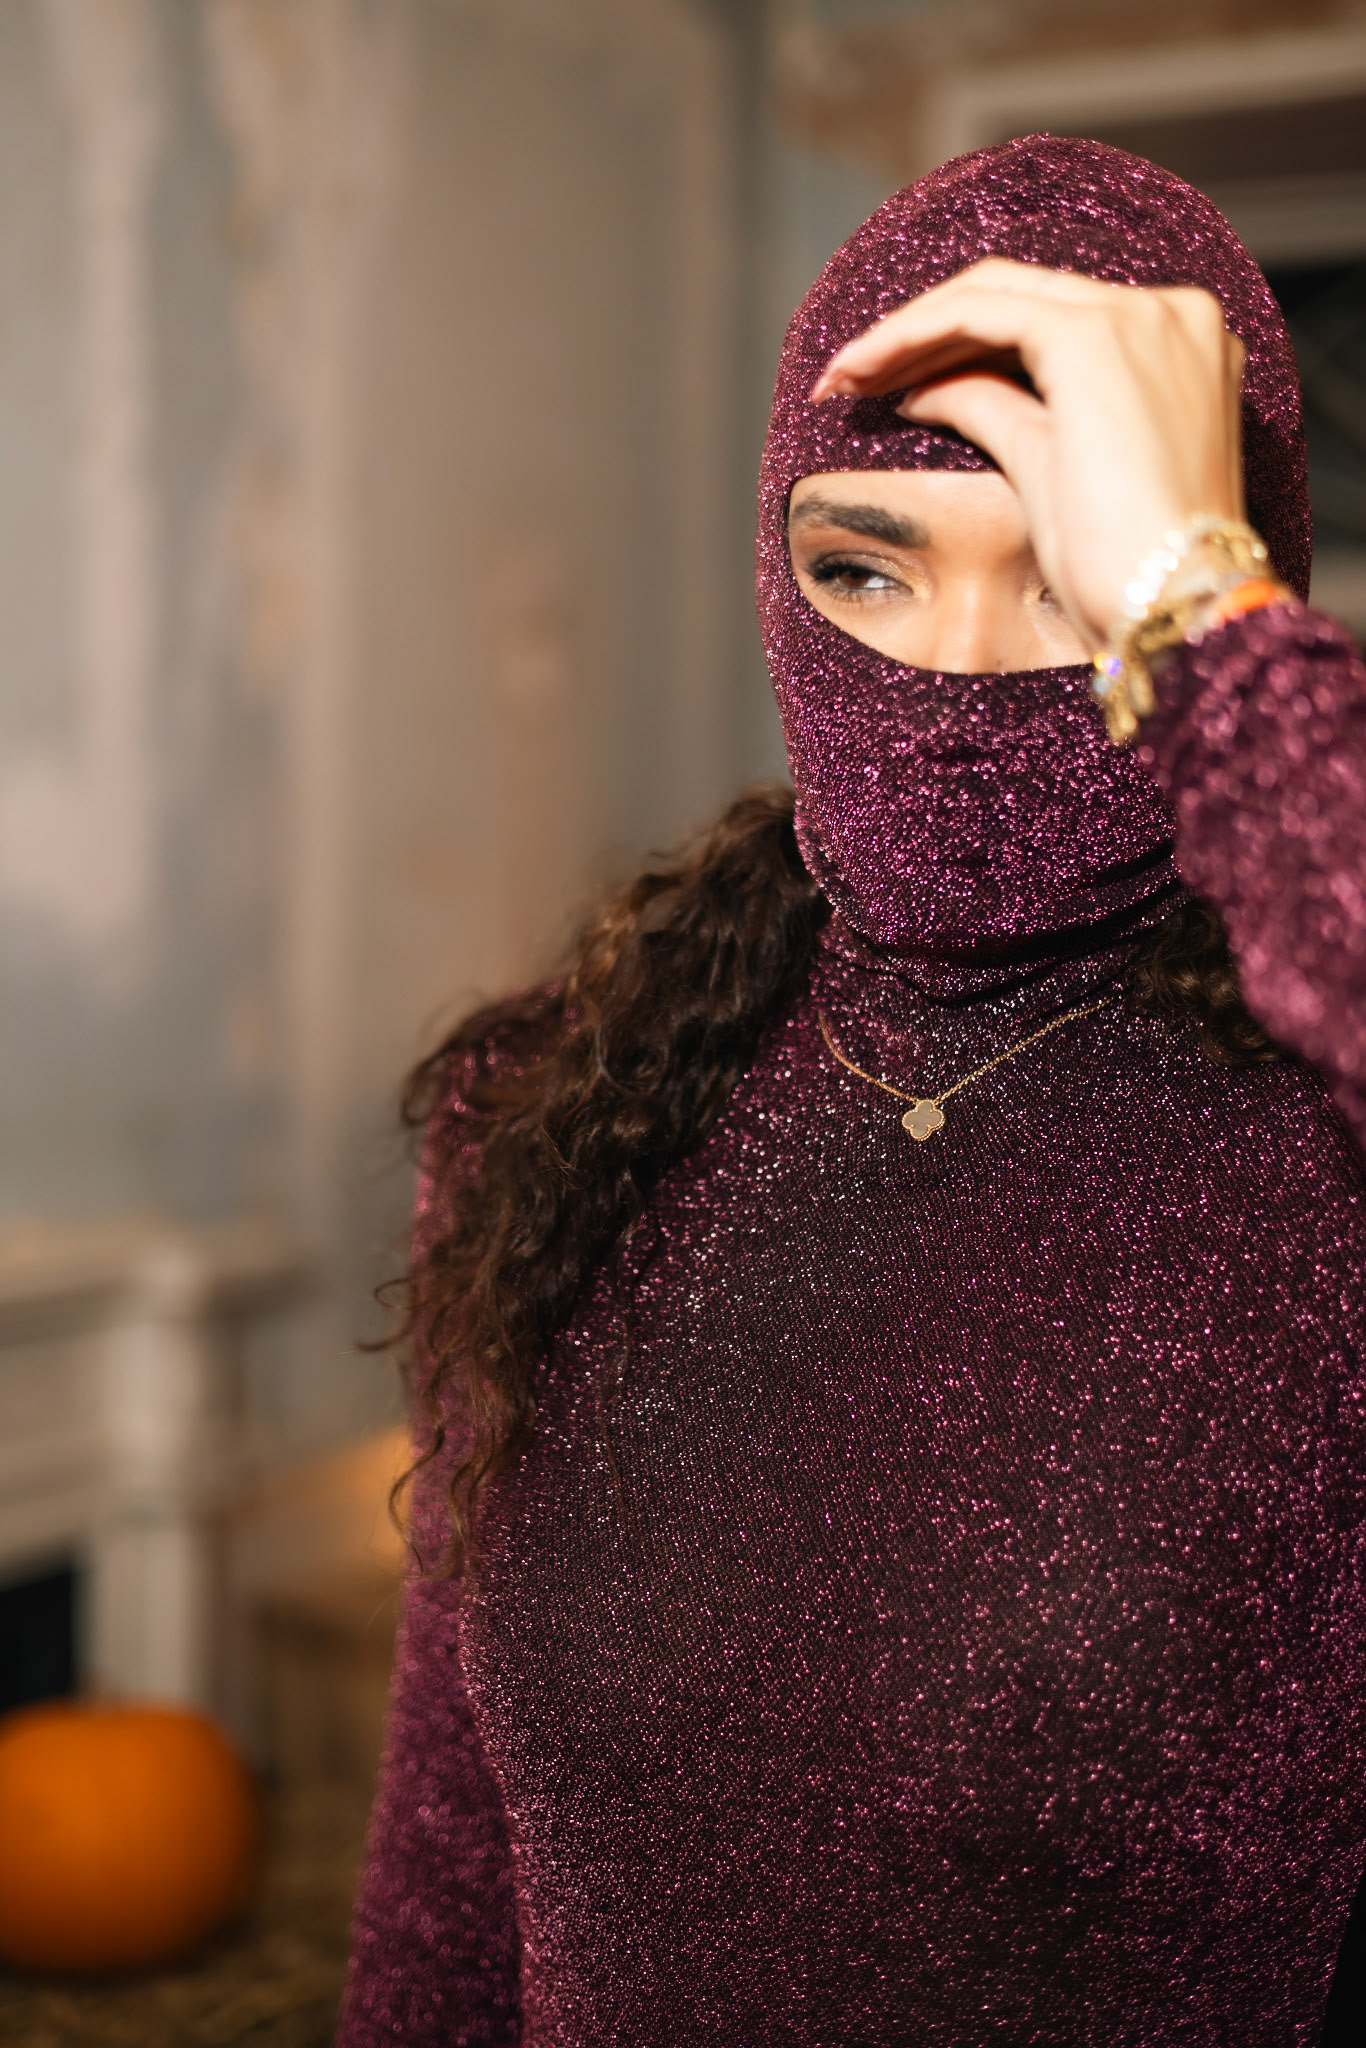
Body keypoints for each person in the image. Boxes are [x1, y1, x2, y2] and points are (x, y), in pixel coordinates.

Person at [336, 137, 1366, 2046]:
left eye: (1064, 584)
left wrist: (1194, 604)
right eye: (863, 567)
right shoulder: (555, 1105)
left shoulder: (1322, 1142)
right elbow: (453, 1866)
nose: (955, 676)